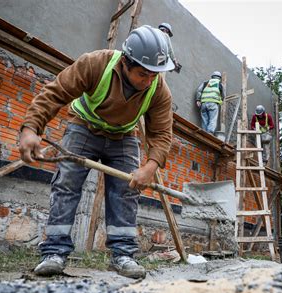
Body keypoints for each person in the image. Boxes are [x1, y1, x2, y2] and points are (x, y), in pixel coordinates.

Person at [18, 25, 175, 279]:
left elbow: (162, 134)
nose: (148, 81)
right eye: (143, 74)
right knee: (67, 183)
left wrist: (151, 166)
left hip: (123, 136)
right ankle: (54, 252)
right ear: (125, 62)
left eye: (154, 76)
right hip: (84, 127)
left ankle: (122, 255)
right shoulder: (95, 64)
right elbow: (55, 92)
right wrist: (30, 129)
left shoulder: (158, 90)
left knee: (127, 190)